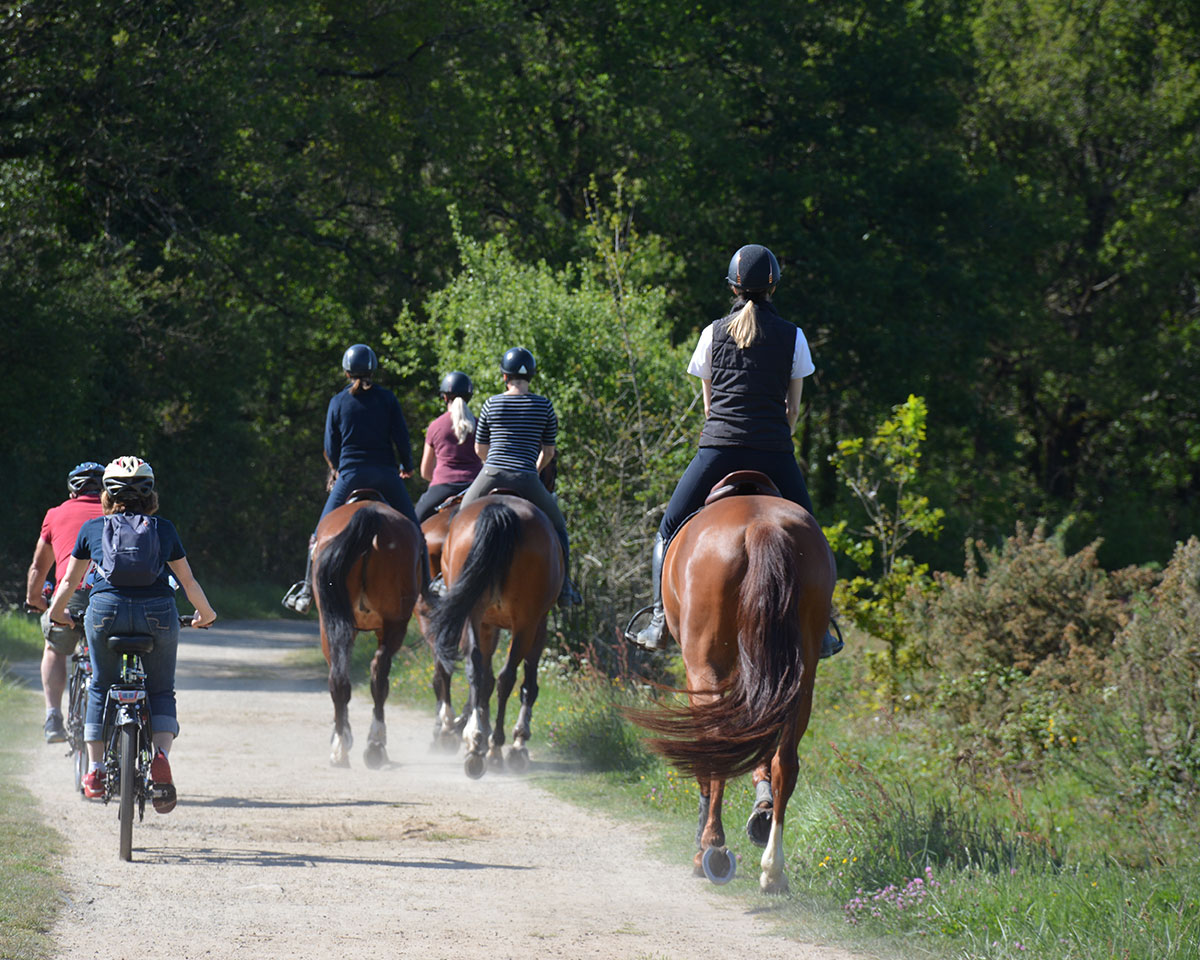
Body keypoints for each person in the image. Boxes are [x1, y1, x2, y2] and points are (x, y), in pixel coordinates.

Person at [628, 244, 842, 656]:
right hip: (774, 452)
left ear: (732, 289)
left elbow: (709, 406)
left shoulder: (712, 333)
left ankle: (657, 620)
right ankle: (823, 628)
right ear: (773, 287)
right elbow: (793, 407)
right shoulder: (794, 336)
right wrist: (781, 434)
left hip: (719, 448)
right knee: (812, 532)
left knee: (668, 528)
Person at [46, 456, 217, 810]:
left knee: (100, 686)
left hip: (104, 613)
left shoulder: (92, 529)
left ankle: (94, 769)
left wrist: (57, 612)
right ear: (150, 495)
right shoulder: (164, 529)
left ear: (107, 495)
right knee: (159, 689)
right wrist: (206, 613)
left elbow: (69, 581)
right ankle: (161, 757)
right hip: (158, 613)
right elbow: (187, 581)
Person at [283, 343, 424, 613]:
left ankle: (305, 590)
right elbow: (401, 437)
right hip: (386, 475)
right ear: (373, 370)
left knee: (317, 535)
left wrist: (337, 468)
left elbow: (330, 445)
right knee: (416, 532)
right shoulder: (388, 399)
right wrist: (407, 464)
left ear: (346, 373)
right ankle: (427, 589)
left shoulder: (338, 401)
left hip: (350, 476)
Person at [457, 347, 582, 608]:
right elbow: (548, 452)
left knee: (459, 519)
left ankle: (445, 579)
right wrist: (533, 470)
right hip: (526, 476)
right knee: (559, 527)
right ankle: (565, 588)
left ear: (504, 377)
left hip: (491, 473)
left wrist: (491, 465)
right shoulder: (544, 406)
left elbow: (480, 449)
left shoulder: (491, 403)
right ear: (531, 377)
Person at [25, 462, 106, 743]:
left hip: (69, 598)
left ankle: (53, 717)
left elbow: (39, 566)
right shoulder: (118, 513)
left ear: (73, 489)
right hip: (110, 600)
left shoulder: (56, 514)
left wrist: (35, 600)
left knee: (55, 648)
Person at [413, 371, 483, 523]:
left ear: (444, 397)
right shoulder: (480, 426)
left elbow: (425, 471)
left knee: (413, 524)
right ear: (469, 397)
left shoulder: (435, 426)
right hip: (476, 486)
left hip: (442, 486)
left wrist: (442, 479)